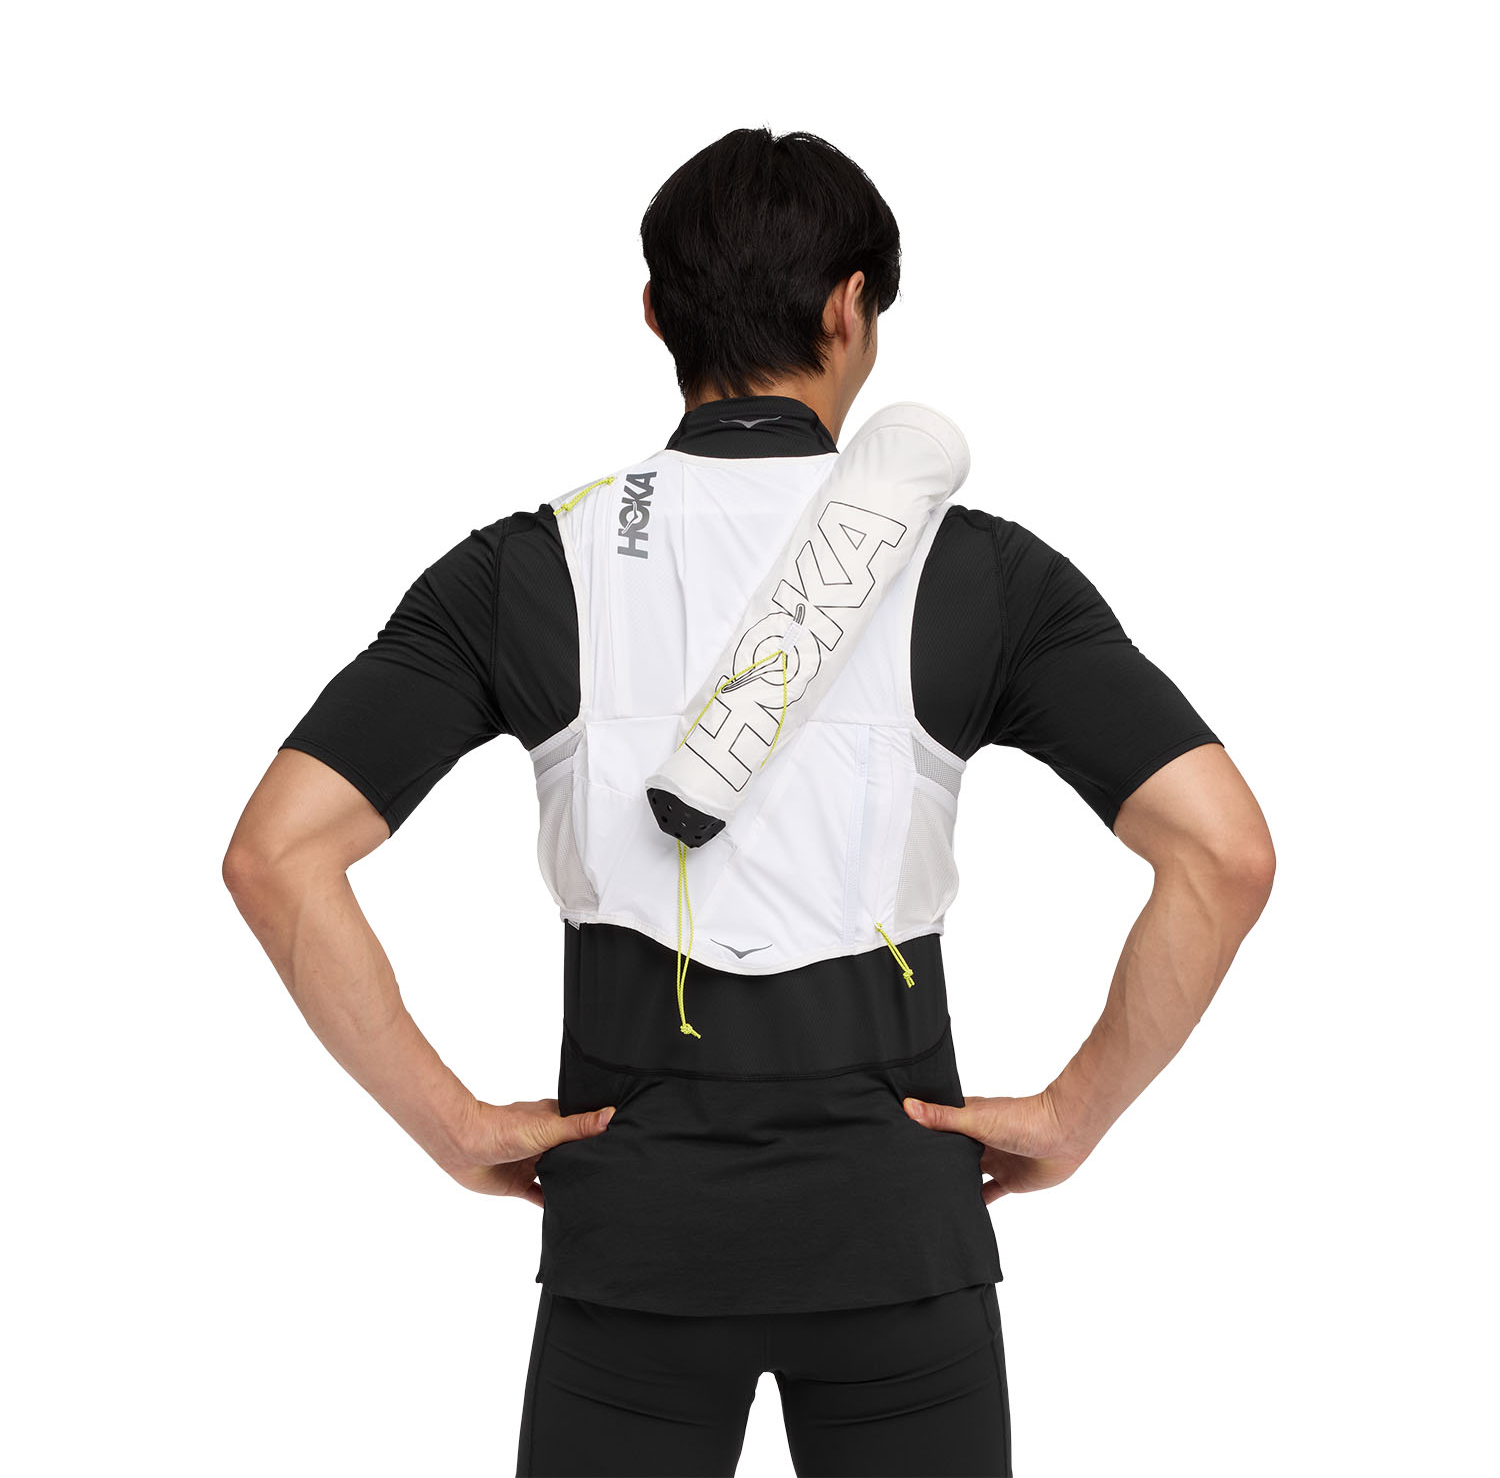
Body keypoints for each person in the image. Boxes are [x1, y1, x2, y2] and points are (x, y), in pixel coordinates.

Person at [223, 127, 1274, 1478]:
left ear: (656, 313)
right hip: (898, 1227)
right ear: (850, 307)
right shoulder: (984, 573)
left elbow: (277, 855)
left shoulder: (524, 570)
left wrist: (451, 1125)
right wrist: (1078, 1114)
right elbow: (1225, 854)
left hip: (632, 1230)